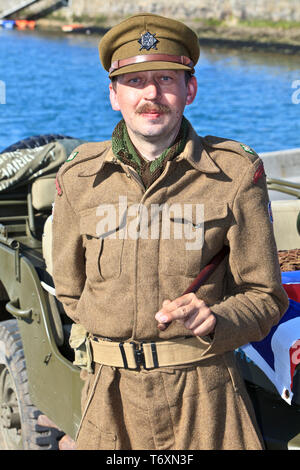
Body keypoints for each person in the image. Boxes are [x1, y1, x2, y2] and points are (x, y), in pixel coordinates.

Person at [52, 13, 289, 450]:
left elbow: (266, 296)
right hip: (110, 401)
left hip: (206, 400)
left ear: (189, 90)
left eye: (166, 78)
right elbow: (71, 291)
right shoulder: (79, 179)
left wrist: (215, 318)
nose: (151, 94)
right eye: (136, 81)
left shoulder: (234, 175)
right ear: (113, 95)